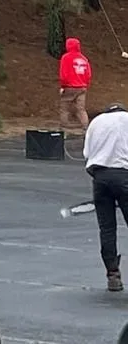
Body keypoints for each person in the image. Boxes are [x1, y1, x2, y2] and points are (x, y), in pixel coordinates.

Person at [84, 104, 128, 291]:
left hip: (100, 177)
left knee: (107, 228)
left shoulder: (96, 122)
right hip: (124, 174)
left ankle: (113, 274)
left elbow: (88, 153)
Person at [59, 37, 92, 132]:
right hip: (82, 87)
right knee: (81, 108)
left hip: (70, 86)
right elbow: (88, 74)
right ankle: (85, 126)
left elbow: (63, 74)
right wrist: (86, 85)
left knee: (65, 107)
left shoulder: (66, 57)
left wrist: (63, 86)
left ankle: (64, 126)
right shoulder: (84, 58)